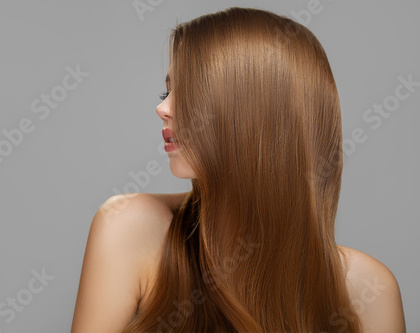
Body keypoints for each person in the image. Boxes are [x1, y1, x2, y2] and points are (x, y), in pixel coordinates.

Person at [71, 7, 406, 332]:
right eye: (168, 91)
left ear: (256, 113)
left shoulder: (370, 289)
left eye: (191, 91)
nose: (162, 108)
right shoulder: (130, 227)